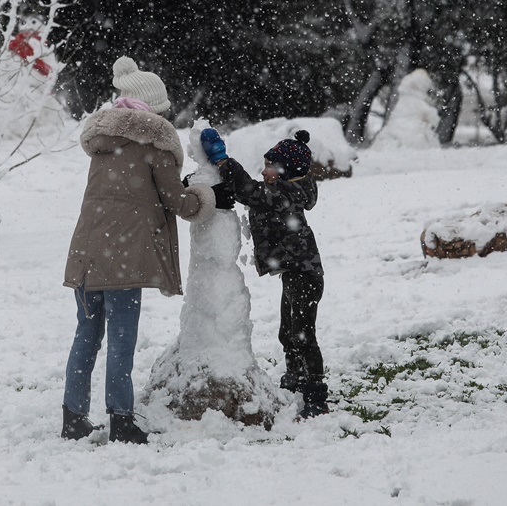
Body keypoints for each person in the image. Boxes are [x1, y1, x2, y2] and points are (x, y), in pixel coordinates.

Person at [61, 56, 220, 443]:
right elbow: (176, 201)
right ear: (154, 108)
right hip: (125, 258)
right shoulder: (155, 143)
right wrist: (204, 195)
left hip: (87, 254)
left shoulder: (103, 142)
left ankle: (73, 417)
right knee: (121, 340)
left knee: (86, 334)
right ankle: (120, 420)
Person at [200, 127, 330, 418]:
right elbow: (253, 191)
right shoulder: (287, 188)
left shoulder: (287, 193)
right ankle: (294, 377)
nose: (264, 170)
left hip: (305, 275)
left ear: (285, 171)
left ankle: (315, 392)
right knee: (289, 331)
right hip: (295, 273)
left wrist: (223, 161)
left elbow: (249, 191)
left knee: (304, 334)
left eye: (270, 166)